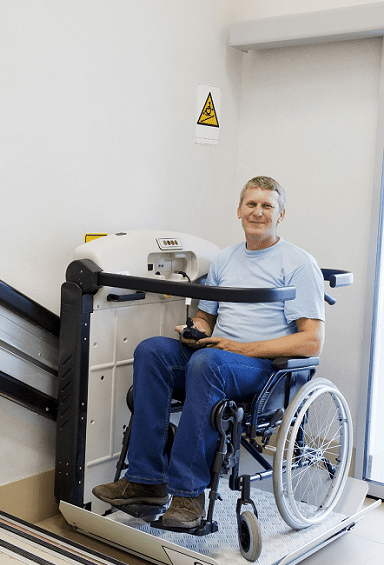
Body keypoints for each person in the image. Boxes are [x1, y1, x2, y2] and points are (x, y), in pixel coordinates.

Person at [93, 176, 325, 529]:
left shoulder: (298, 263)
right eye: (251, 204)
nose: (258, 212)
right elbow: (206, 317)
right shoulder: (225, 259)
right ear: (239, 211)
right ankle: (146, 481)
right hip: (216, 358)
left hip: (262, 368)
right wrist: (194, 332)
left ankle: (189, 494)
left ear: (281, 215)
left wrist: (239, 347)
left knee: (206, 362)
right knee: (152, 350)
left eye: (267, 206)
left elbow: (311, 341)